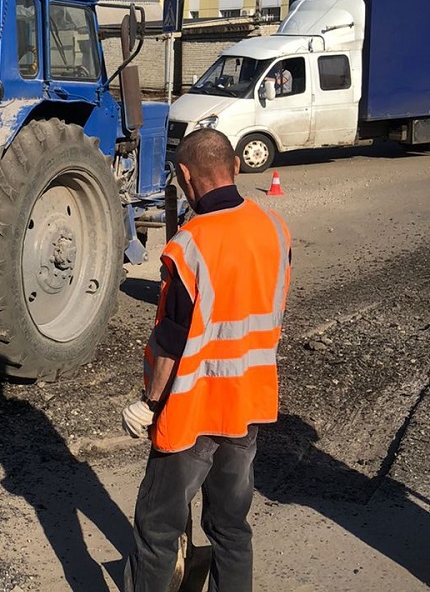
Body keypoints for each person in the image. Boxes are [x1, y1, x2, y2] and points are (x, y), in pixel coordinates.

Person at [121, 127, 291, 592]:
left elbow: (172, 340)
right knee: (232, 527)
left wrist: (148, 403)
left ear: (185, 175)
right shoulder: (274, 229)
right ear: (236, 166)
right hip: (248, 406)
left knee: (157, 529)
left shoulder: (191, 246)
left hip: (194, 412)